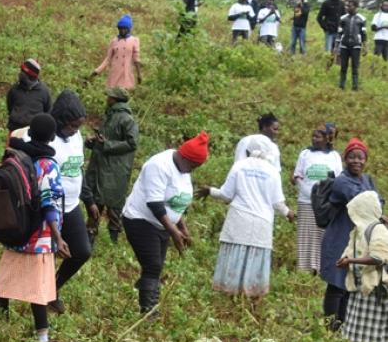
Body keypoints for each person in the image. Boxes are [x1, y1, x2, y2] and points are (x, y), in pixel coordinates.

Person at [0, 114, 70, 342]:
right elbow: (48, 202)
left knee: (5, 283)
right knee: (39, 289)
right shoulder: (47, 164)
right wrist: (58, 237)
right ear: (51, 137)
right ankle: (42, 339)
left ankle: (0, 328)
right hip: (39, 236)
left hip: (16, 229)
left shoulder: (18, 155)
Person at [197, 135, 295, 298]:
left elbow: (227, 195)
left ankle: (229, 295)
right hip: (261, 224)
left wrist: (210, 190)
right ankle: (250, 297)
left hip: (238, 221)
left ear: (248, 150)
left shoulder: (239, 166)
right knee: (255, 260)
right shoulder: (272, 172)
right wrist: (289, 213)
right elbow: (278, 203)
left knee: (234, 257)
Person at [122, 131, 209, 313]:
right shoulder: (159, 165)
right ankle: (148, 310)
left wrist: (183, 229)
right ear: (186, 158)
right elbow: (155, 202)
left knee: (155, 267)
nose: (193, 170)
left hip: (162, 224)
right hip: (140, 220)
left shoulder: (183, 168)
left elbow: (177, 202)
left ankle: (147, 296)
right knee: (153, 265)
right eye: (193, 166)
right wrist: (173, 232)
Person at [35, 91, 97, 314]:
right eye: (71, 126)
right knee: (45, 256)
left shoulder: (76, 138)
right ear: (60, 120)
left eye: (78, 127)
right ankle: (38, 300)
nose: (75, 131)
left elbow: (77, 170)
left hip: (70, 205)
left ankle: (53, 289)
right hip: (48, 207)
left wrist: (88, 200)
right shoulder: (46, 139)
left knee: (82, 251)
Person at [320, 137, 378, 331]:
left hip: (357, 241)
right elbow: (360, 201)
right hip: (340, 238)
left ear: (365, 160)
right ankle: (330, 326)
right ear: (346, 159)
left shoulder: (367, 180)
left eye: (360, 157)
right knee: (337, 285)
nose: (357, 161)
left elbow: (379, 202)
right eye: (352, 157)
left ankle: (341, 325)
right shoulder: (342, 181)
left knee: (349, 285)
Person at [337, 191, 388, 342]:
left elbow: (378, 258)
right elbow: (350, 251)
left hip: (377, 288)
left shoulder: (378, 230)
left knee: (384, 329)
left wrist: (352, 261)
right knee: (355, 331)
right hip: (360, 288)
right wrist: (345, 259)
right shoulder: (357, 232)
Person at [84, 87, 139, 243]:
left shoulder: (126, 119)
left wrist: (107, 145)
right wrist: (93, 142)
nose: (107, 99)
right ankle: (90, 236)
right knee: (96, 200)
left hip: (115, 170)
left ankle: (112, 240)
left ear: (115, 100)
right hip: (101, 165)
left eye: (109, 97)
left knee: (113, 204)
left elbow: (132, 143)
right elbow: (105, 139)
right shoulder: (110, 116)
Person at [292, 123, 342, 274]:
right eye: (313, 136)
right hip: (306, 201)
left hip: (326, 203)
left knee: (323, 235)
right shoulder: (305, 154)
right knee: (306, 234)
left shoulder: (334, 156)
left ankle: (321, 268)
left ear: (327, 139)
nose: (314, 139)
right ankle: (304, 269)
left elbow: (339, 179)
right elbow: (296, 175)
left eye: (318, 137)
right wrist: (302, 186)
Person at [91, 14, 142, 89]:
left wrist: (139, 74)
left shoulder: (134, 40)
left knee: (125, 93)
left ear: (129, 29)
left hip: (126, 73)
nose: (122, 31)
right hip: (115, 73)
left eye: (124, 29)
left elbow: (136, 59)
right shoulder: (114, 41)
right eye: (120, 28)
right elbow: (108, 59)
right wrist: (97, 71)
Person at [6, 58, 51, 133]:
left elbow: (48, 111)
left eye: (24, 73)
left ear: (31, 76)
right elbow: (10, 106)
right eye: (21, 71)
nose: (20, 74)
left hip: (33, 133)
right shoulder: (15, 89)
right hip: (14, 130)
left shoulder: (44, 92)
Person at [337, 0, 368, 91]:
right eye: (346, 6)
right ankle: (341, 86)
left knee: (355, 67)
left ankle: (355, 87)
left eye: (349, 6)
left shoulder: (362, 19)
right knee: (343, 66)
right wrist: (336, 46)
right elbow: (339, 32)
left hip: (356, 46)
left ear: (355, 6)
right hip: (344, 45)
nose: (347, 8)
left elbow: (364, 34)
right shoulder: (343, 18)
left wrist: (365, 46)